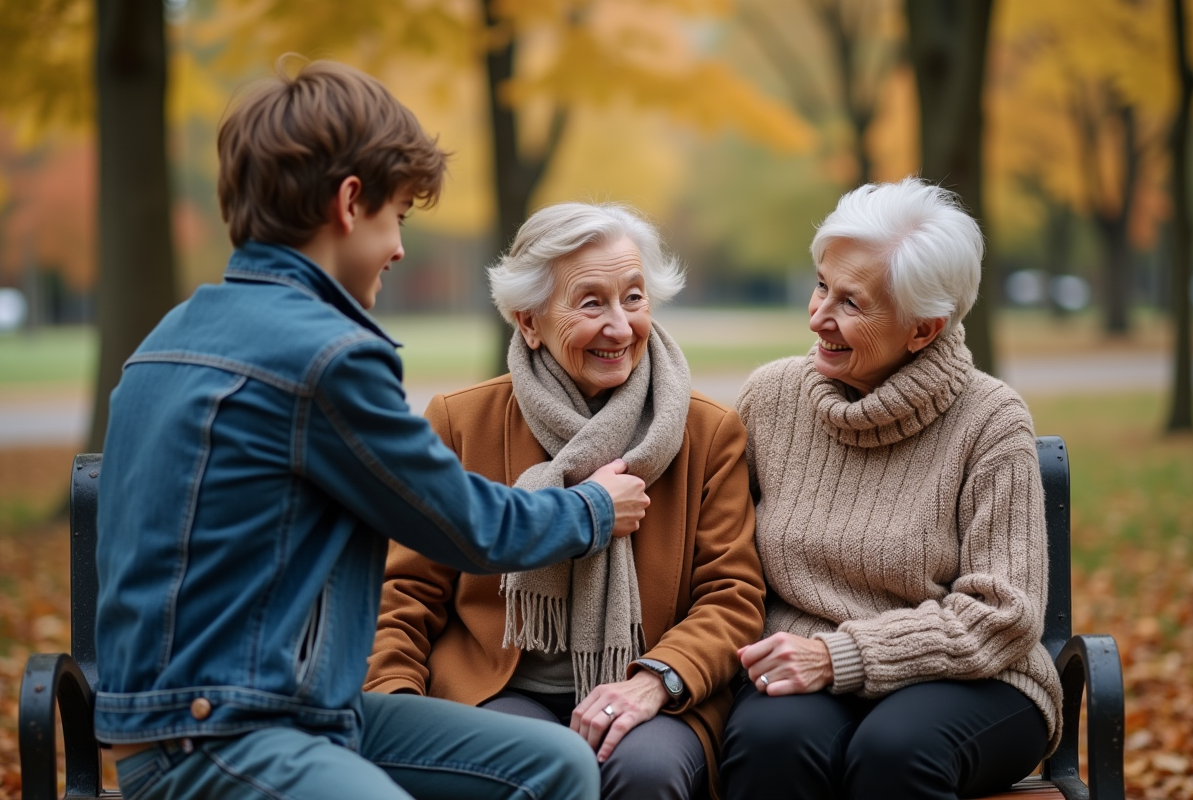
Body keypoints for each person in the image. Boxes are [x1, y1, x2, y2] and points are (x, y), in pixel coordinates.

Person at [93, 59, 653, 800]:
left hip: (284, 711)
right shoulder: (322, 354)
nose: (397, 247)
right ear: (349, 203)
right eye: (398, 217)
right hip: (219, 733)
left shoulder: (174, 332)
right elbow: (462, 524)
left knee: (555, 764)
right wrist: (592, 509)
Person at [367, 202, 766, 800]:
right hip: (495, 689)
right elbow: (405, 593)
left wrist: (655, 682)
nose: (620, 326)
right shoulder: (460, 421)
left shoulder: (708, 431)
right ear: (528, 321)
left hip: (652, 688)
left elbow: (732, 597)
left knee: (647, 770)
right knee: (526, 764)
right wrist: (394, 708)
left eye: (633, 298)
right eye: (590, 302)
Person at [720, 178, 1063, 800]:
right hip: (803, 665)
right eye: (822, 285)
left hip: (973, 677)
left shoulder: (990, 419)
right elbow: (715, 550)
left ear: (923, 329)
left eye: (852, 303)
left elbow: (1004, 615)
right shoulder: (770, 398)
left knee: (894, 754)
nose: (820, 315)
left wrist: (842, 655)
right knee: (771, 745)